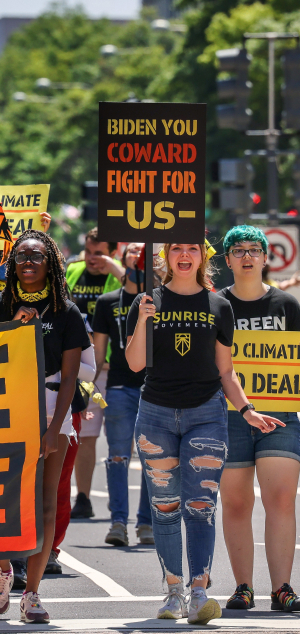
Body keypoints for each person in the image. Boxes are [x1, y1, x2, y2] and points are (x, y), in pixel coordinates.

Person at [126, 240, 283, 624]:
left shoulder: (219, 306)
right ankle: (173, 592)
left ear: (203, 256)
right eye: (176, 248)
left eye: (192, 249)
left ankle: (199, 593)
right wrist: (144, 319)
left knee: (201, 508)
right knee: (164, 510)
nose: (184, 255)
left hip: (207, 415)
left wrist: (246, 409)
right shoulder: (146, 302)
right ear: (165, 256)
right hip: (156, 415)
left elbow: (225, 371)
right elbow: (134, 364)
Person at [0, 230, 86, 624]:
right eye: (21, 254)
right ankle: (4, 567)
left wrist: (56, 428)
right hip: (2, 409)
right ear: (11, 262)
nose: (28, 261)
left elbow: (71, 376)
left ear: (50, 262)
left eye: (37, 255)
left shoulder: (66, 311)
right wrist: (13, 330)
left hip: (51, 408)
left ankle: (32, 593)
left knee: (44, 504)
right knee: (5, 499)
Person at [212, 227, 300, 612]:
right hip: (230, 415)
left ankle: (282, 587)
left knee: (281, 497)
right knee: (235, 503)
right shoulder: (215, 304)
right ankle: (243, 586)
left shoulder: (288, 305)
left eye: (254, 250)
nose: (246, 256)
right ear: (227, 259)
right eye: (238, 250)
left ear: (266, 257)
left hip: (280, 413)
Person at [91, 243, 153, 549]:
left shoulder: (159, 299)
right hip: (117, 387)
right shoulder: (107, 302)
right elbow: (98, 355)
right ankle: (118, 522)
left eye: (143, 250)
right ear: (122, 258)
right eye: (132, 250)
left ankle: (146, 522)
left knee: (152, 457)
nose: (138, 255)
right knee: (118, 454)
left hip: (154, 390)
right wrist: (90, 390)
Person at [66, 230, 125, 521]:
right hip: (87, 371)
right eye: (89, 251)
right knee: (86, 436)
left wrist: (114, 266)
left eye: (100, 252)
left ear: (113, 252)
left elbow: (138, 287)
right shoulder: (74, 272)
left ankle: (121, 506)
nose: (92, 258)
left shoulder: (119, 276)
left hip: (117, 372)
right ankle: (84, 497)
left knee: (119, 440)